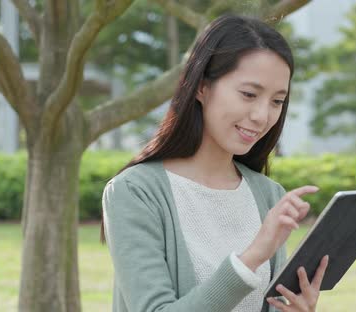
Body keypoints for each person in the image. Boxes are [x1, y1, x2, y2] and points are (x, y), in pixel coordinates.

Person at [101, 14, 329, 312]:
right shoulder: (134, 192)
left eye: (277, 101)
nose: (262, 116)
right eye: (249, 94)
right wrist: (252, 257)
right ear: (201, 87)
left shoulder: (268, 194)